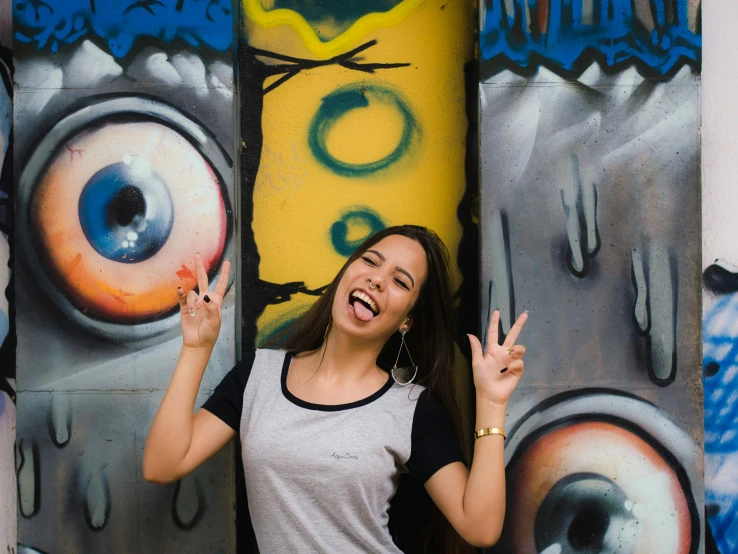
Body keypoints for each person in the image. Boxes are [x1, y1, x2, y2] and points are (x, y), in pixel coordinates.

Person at [143, 225, 528, 552]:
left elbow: (480, 528)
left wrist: (492, 402)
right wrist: (196, 350)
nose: (377, 278)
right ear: (347, 273)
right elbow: (163, 464)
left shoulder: (411, 409)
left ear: (407, 319)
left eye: (399, 280)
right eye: (370, 261)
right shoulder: (259, 375)